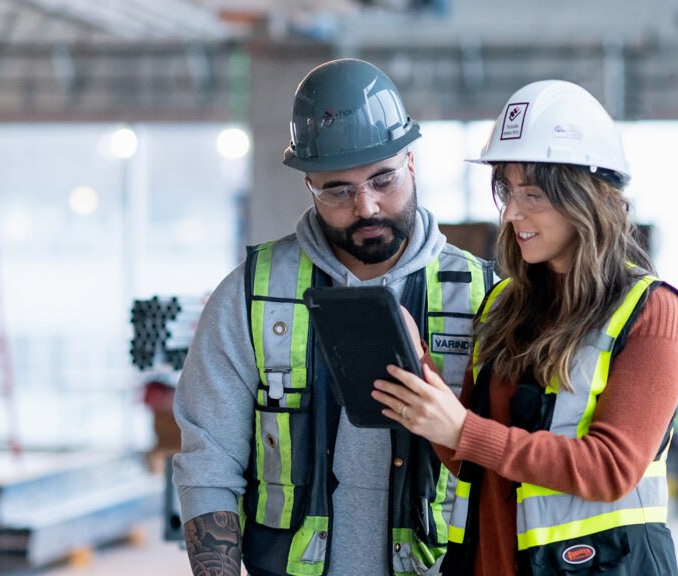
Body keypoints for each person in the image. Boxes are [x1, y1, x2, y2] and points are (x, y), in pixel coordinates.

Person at [172, 58, 495, 576]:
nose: (366, 206)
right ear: (309, 186)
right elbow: (209, 461)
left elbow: (511, 466)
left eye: (382, 179)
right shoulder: (252, 295)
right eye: (338, 190)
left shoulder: (484, 296)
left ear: (411, 162)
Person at [371, 80, 678, 575]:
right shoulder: (503, 304)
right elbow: (479, 462)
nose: (512, 213)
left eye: (533, 195)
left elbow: (611, 469)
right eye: (507, 191)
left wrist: (462, 428)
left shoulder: (650, 311)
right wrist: (423, 381)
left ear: (585, 198)